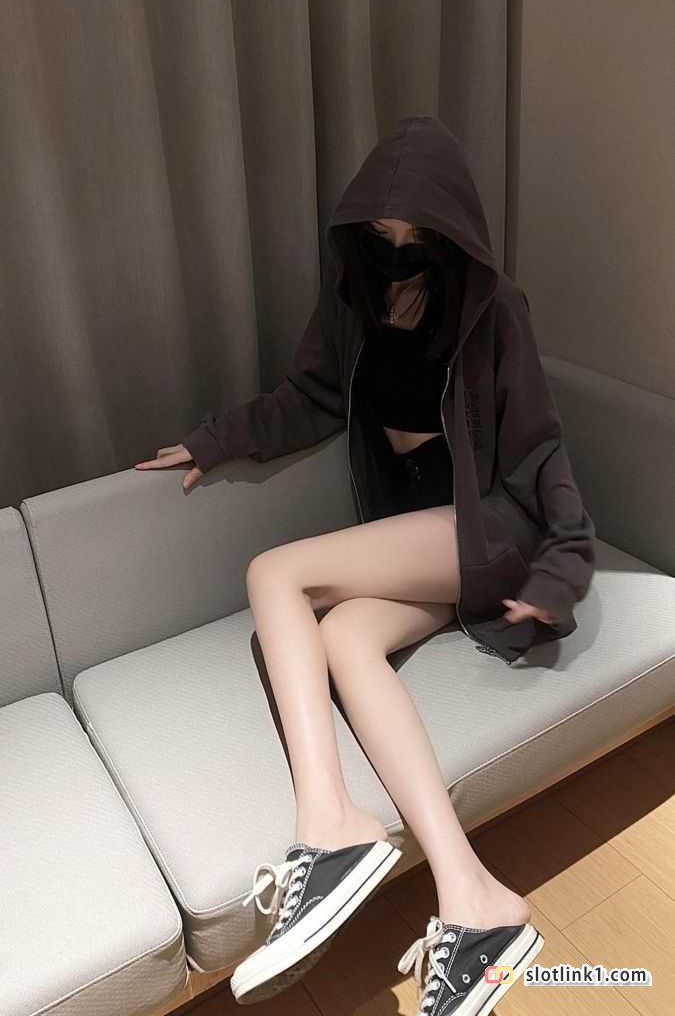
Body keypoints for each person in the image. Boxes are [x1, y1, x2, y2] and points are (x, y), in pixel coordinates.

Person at [135, 115, 595, 1012]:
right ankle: (476, 900)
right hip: (411, 532)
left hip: (482, 525)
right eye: (381, 234)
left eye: (415, 237)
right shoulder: (355, 296)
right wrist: (216, 440)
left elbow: (541, 450)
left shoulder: (493, 308)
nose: (396, 251)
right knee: (344, 637)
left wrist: (561, 568)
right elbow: (308, 397)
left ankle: (330, 824)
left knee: (274, 573)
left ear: (448, 233)